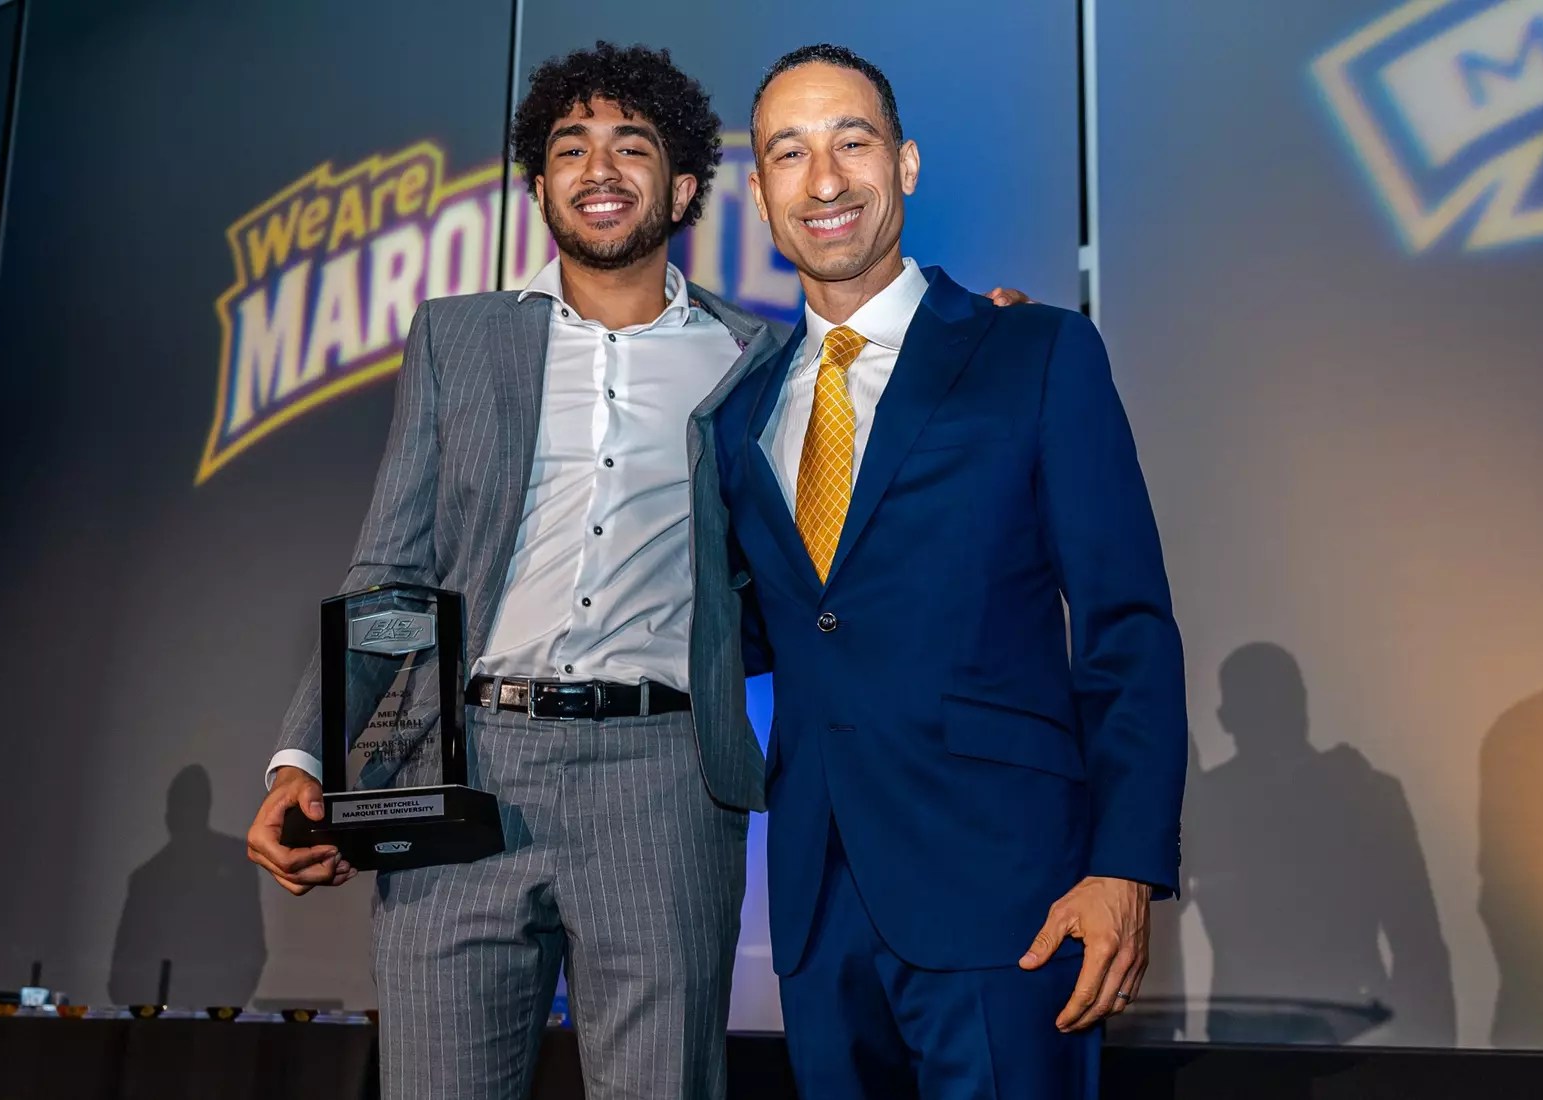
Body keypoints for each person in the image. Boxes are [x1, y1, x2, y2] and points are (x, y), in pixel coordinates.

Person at [244, 42, 1024, 1100]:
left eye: (630, 145)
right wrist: (306, 755)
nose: (598, 167)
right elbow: (393, 561)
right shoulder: (457, 339)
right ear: (540, 184)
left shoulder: (761, 360)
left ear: (688, 186)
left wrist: (975, 338)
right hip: (464, 766)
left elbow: (861, 432)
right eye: (570, 148)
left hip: (663, 781)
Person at [713, 45, 1188, 1099]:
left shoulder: (1038, 353)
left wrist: (1124, 864)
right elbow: (758, 625)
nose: (824, 180)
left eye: (853, 142)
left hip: (1008, 896)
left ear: (908, 163)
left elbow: (1126, 626)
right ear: (759, 191)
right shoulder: (742, 410)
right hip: (816, 903)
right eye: (789, 153)